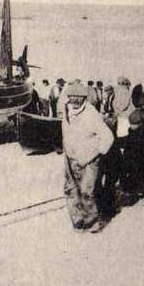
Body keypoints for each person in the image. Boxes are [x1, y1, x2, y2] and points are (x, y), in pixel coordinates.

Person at [60, 80, 115, 232]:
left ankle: (93, 221)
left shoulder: (92, 114)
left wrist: (95, 154)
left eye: (78, 97)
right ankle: (78, 219)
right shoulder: (66, 112)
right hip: (70, 157)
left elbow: (108, 137)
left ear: (84, 98)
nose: (74, 100)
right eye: (71, 96)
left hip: (89, 160)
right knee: (71, 190)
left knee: (87, 191)